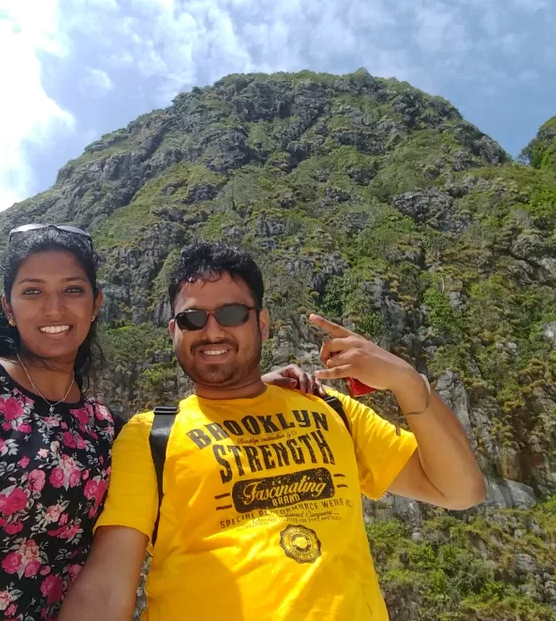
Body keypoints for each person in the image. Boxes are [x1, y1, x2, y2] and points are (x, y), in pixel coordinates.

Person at [0, 225, 315, 621]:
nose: (54, 308)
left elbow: (181, 437)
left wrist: (252, 386)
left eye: (72, 289)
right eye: (32, 292)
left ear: (95, 305)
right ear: (8, 308)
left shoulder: (105, 430)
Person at [57, 241, 486, 621]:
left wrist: (407, 381)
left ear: (261, 323)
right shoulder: (151, 436)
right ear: (174, 331)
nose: (211, 331)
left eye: (230, 313)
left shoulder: (330, 408)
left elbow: (460, 490)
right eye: (191, 319)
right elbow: (106, 587)